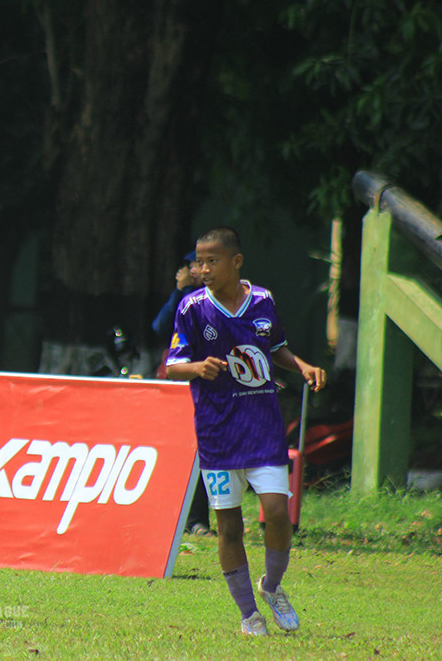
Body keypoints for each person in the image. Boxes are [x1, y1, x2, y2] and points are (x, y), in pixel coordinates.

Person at [165, 226, 326, 636]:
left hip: (262, 427)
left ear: (236, 262)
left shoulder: (263, 300)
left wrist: (302, 366)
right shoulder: (192, 307)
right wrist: (198, 367)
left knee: (277, 512)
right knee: (229, 527)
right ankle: (249, 615)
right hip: (218, 433)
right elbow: (172, 366)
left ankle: (271, 587)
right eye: (199, 262)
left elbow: (276, 348)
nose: (202, 269)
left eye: (212, 261)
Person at [151, 251, 212, 536]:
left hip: (202, 386)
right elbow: (161, 326)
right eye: (189, 266)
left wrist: (187, 290)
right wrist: (179, 291)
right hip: (174, 385)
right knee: (170, 450)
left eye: (197, 265)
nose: (192, 271)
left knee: (199, 453)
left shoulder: (211, 298)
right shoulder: (184, 296)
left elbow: (195, 326)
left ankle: (197, 520)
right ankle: (166, 515)